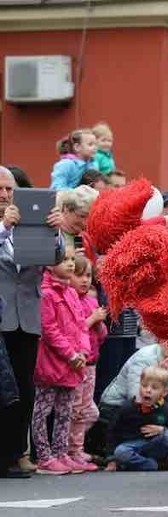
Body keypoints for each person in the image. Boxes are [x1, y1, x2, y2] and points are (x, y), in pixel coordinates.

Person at [0, 166, 62, 479]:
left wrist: (56, 232)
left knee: (24, 388)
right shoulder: (5, 224)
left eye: (9, 189)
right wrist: (3, 227)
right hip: (1, 317)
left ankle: (15, 454)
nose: (5, 195)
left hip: (27, 316)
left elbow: (56, 260)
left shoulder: (32, 220)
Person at [31, 251, 91, 475]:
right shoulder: (46, 294)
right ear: (48, 265)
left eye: (71, 260)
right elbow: (49, 330)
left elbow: (82, 326)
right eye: (64, 260)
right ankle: (44, 457)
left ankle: (61, 453)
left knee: (65, 411)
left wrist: (84, 351)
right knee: (43, 410)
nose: (69, 264)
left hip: (73, 363)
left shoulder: (72, 294)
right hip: (53, 362)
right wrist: (71, 354)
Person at [67, 256, 107, 468]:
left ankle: (75, 448)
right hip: (77, 362)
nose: (84, 280)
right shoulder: (70, 299)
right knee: (78, 409)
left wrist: (99, 323)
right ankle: (73, 450)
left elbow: (101, 335)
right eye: (79, 275)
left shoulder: (91, 300)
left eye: (88, 276)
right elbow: (73, 329)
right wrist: (92, 319)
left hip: (92, 362)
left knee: (89, 411)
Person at [109, 367, 168, 471]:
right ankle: (159, 465)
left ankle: (135, 464)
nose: (148, 390)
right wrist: (111, 459)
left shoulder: (167, 409)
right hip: (131, 446)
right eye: (144, 386)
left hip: (154, 445)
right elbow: (112, 432)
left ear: (164, 393)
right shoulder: (128, 407)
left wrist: (163, 430)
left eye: (154, 388)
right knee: (121, 452)